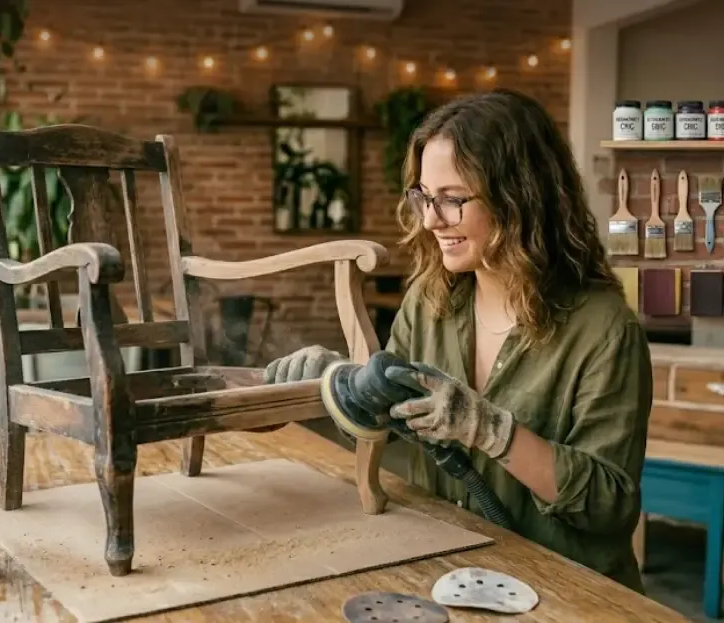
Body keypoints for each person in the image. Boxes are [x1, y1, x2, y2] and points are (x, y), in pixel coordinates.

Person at [263, 88, 653, 594]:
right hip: (456, 575)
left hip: (569, 594)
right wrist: (338, 381)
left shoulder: (605, 329)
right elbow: (393, 417)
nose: (431, 220)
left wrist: (492, 431)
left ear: (520, 198)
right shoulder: (429, 302)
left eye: (452, 199)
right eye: (424, 197)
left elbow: (608, 506)